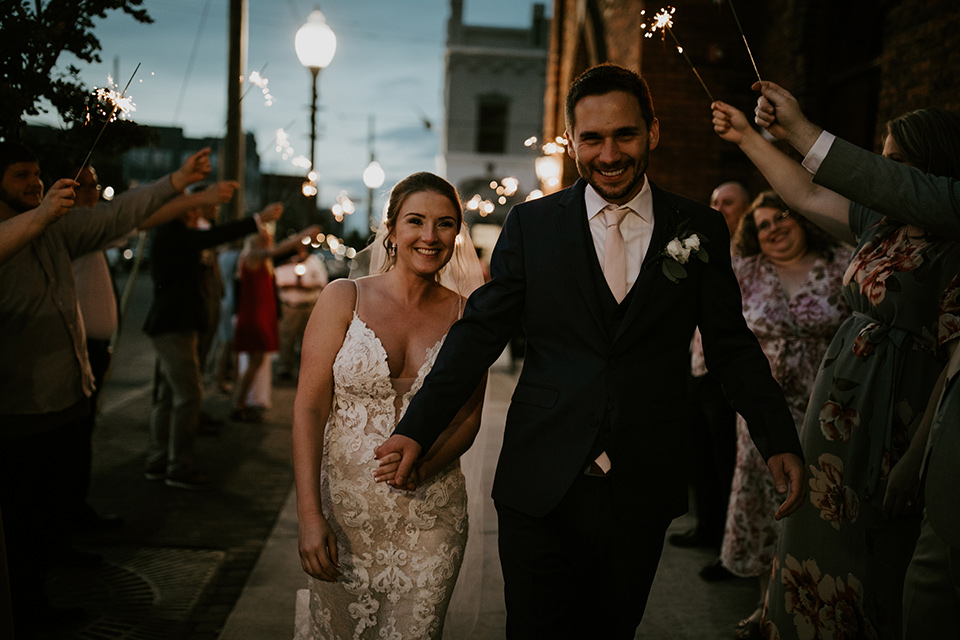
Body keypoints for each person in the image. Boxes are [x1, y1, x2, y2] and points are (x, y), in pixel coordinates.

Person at [376, 64, 806, 639]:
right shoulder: (532, 224)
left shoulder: (698, 226)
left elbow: (731, 346)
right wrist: (417, 427)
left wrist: (777, 436)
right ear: (573, 141)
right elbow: (479, 334)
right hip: (540, 480)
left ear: (652, 132)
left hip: (642, 479)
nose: (609, 154)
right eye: (593, 138)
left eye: (624, 135)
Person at [712, 95, 960, 639]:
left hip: (899, 416)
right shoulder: (880, 222)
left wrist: (917, 456)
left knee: (875, 562)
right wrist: (749, 138)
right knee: (813, 542)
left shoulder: (954, 240)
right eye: (882, 157)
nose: (879, 172)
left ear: (933, 170)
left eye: (897, 164)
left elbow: (954, 360)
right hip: (837, 412)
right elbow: (803, 192)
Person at [0, 142, 213, 638]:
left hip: (67, 398)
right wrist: (45, 211)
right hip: (18, 411)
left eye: (36, 173)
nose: (33, 183)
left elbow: (118, 216)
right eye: (20, 176)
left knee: (53, 509)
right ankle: (25, 608)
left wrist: (177, 180)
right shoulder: (20, 230)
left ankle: (41, 589)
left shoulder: (57, 228)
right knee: (22, 521)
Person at [292, 172, 486, 639]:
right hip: (345, 517)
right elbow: (308, 409)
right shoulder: (344, 298)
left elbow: (468, 416)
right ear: (391, 229)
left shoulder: (469, 316)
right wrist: (310, 515)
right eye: (415, 221)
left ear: (457, 234)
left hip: (431, 517)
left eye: (443, 224)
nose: (428, 236)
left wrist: (424, 465)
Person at [722, 191, 852, 639]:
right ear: (754, 237)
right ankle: (766, 605)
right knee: (766, 504)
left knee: (821, 504)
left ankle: (824, 605)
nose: (775, 227)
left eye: (782, 217)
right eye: (763, 225)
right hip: (763, 413)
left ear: (802, 219)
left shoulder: (841, 263)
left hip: (830, 410)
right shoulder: (745, 271)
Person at [143, 192, 279, 490]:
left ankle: (158, 460)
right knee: (189, 396)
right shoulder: (173, 233)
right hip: (174, 325)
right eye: (192, 210)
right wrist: (258, 220)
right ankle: (177, 466)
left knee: (168, 396)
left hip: (174, 323)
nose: (198, 215)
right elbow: (215, 236)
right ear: (181, 211)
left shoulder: (174, 234)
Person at [672, 181, 750, 578]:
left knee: (725, 458)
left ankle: (727, 540)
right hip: (696, 364)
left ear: (746, 208)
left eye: (729, 202)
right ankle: (705, 527)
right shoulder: (701, 246)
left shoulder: (750, 254)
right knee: (698, 454)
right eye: (714, 201)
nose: (719, 208)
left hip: (727, 371)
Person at [231, 218, 319, 422]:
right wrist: (303, 233)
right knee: (255, 361)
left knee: (257, 361)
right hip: (254, 317)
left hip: (261, 314)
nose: (268, 240)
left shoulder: (261, 259)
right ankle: (239, 403)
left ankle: (243, 401)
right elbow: (279, 250)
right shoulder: (252, 256)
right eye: (264, 237)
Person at [275, 242, 329, 380]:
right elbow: (277, 281)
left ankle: (306, 369)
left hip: (308, 306)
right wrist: (293, 285)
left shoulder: (314, 263)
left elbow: (323, 281)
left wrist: (307, 285)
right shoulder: (285, 264)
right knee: (287, 337)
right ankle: (284, 368)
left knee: (308, 339)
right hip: (290, 306)